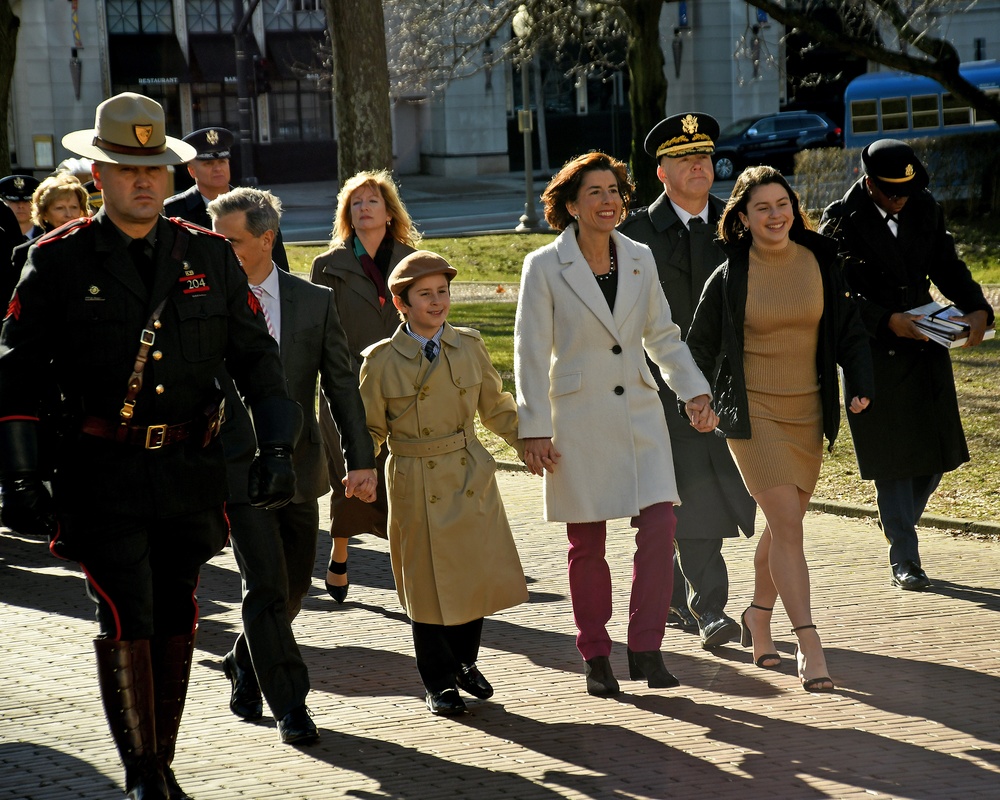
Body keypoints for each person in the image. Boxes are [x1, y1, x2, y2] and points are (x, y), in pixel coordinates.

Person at [0, 92, 300, 800]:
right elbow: (15, 374)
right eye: (127, 168)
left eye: (156, 170)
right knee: (126, 608)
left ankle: (157, 755)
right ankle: (146, 773)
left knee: (177, 610)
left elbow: (257, 359)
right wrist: (19, 477)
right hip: (98, 472)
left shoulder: (209, 256)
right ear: (97, 174)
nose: (144, 182)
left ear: (172, 177)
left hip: (190, 470)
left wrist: (278, 446)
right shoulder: (57, 261)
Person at [514, 152, 718, 697]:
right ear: (572, 205)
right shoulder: (543, 265)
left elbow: (663, 335)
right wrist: (533, 427)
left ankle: (646, 648)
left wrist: (694, 390)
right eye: (595, 192)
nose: (608, 201)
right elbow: (530, 353)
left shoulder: (639, 257)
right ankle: (596, 654)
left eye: (614, 190)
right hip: (577, 421)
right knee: (588, 544)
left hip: (640, 416)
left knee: (659, 528)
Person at [685, 165, 874, 693]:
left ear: (794, 207)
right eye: (762, 207)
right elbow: (696, 347)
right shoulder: (729, 276)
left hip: (807, 411)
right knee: (789, 525)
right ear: (742, 217)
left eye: (782, 204)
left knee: (781, 523)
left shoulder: (820, 262)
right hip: (753, 414)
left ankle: (758, 616)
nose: (775, 215)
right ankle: (810, 643)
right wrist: (696, 400)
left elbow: (849, 330)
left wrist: (860, 382)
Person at [207, 187, 377, 744]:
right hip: (237, 468)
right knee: (263, 586)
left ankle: (242, 659)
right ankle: (291, 707)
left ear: (265, 238)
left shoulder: (311, 301)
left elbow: (341, 386)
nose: (220, 249)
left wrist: (360, 459)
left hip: (302, 470)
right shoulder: (204, 299)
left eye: (229, 240)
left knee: (294, 588)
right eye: (215, 239)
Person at [819, 140, 995, 590]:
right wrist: (886, 321)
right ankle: (905, 556)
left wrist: (977, 309)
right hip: (873, 348)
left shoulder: (924, 209)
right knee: (892, 460)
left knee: (934, 456)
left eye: (906, 192)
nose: (900, 200)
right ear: (870, 184)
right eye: (891, 193)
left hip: (926, 339)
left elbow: (948, 267)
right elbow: (837, 295)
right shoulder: (841, 219)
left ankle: (897, 523)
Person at [359, 250, 527, 716]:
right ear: (402, 303)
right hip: (415, 477)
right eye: (425, 295)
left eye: (443, 292)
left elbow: (496, 408)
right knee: (427, 585)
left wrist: (528, 445)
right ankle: (438, 681)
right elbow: (369, 429)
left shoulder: (469, 345)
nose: (438, 302)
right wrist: (361, 470)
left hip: (468, 472)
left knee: (471, 577)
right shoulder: (380, 361)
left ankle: (464, 662)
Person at [619, 112, 757, 651]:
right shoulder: (633, 234)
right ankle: (712, 610)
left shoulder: (736, 225)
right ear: (661, 172)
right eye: (683, 157)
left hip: (727, 387)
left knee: (692, 499)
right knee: (688, 495)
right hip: (656, 389)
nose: (698, 165)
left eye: (703, 155)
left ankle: (675, 595)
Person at [309, 170, 419, 602]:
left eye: (372, 201)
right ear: (347, 216)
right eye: (356, 203)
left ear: (389, 213)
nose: (364, 208)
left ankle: (407, 575)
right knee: (349, 475)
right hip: (345, 387)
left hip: (402, 385)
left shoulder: (413, 260)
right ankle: (340, 550)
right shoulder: (327, 265)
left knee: (399, 479)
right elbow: (318, 330)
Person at [163, 127, 290, 272]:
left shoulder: (256, 205)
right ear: (192, 171)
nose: (217, 168)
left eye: (222, 161)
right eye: (208, 164)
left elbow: (279, 266)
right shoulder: (173, 211)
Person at [4, 174, 91, 305]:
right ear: (44, 213)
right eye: (59, 208)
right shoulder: (25, 253)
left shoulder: (95, 247)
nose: (69, 214)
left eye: (74, 207)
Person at [0, 174, 42, 239]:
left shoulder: (49, 235)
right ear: (3, 202)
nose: (21, 206)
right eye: (14, 201)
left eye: (27, 201)